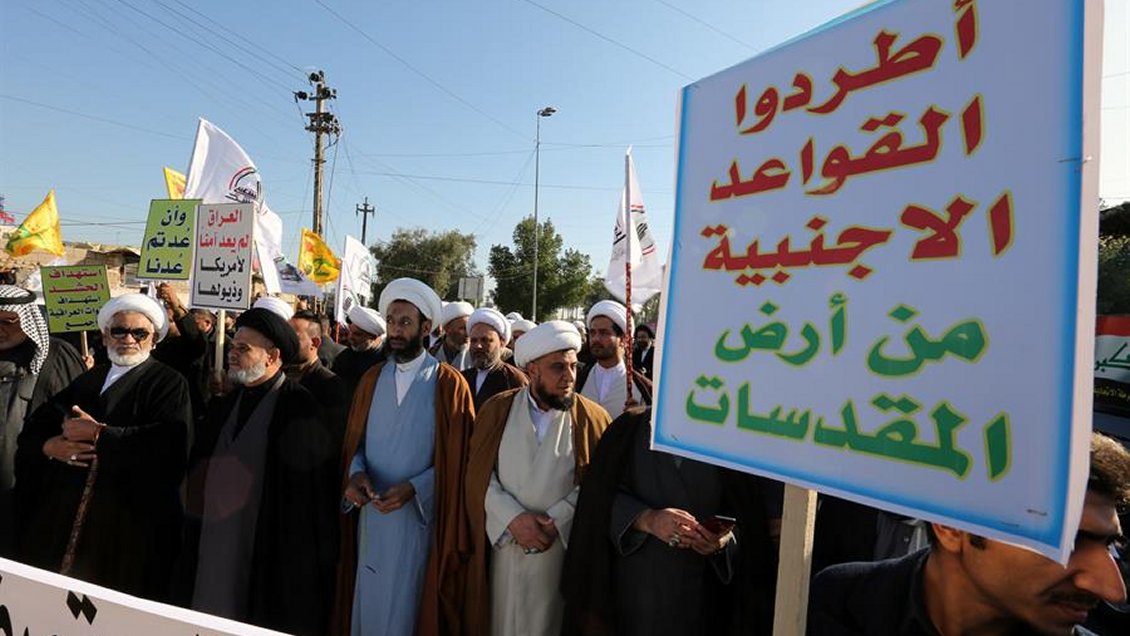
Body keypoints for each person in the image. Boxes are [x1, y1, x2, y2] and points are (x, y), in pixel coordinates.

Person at [807, 431, 1130, 636]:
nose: (1111, 589)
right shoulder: (837, 605)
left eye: (1111, 545)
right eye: (1065, 543)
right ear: (952, 526)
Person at [15, 294, 191, 602]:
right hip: (66, 513)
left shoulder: (168, 383)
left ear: (154, 340)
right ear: (105, 335)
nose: (128, 339)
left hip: (126, 522)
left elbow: (170, 444)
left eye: (139, 333)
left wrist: (100, 434)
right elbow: (38, 426)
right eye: (119, 331)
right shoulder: (89, 379)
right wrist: (49, 446)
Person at [182, 307, 338, 635]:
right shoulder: (224, 404)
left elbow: (311, 503)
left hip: (266, 552)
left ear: (272, 356)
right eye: (233, 347)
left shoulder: (301, 409)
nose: (232, 355)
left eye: (243, 349)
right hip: (213, 543)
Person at [334, 278, 476, 636]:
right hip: (372, 520)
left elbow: (458, 460)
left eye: (405, 323)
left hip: (419, 522)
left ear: (426, 328)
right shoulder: (371, 378)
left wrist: (416, 488)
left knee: (409, 609)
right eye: (392, 321)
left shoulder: (449, 384)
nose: (395, 330)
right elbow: (357, 446)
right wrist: (355, 474)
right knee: (369, 604)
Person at [562, 407, 780, 636]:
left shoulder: (728, 437)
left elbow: (748, 518)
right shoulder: (630, 428)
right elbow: (597, 502)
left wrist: (722, 542)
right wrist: (648, 519)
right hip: (635, 595)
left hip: (700, 599)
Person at [463, 320, 611, 636]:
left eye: (573, 366)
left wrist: (556, 520)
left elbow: (599, 485)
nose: (570, 376)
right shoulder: (497, 410)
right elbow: (478, 474)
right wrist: (513, 519)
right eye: (558, 367)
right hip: (504, 545)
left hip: (559, 554)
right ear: (532, 371)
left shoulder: (593, 419)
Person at [0, 285, 85, 556]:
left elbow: (74, 420)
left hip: (28, 487)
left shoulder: (55, 357)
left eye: (7, 321)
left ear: (27, 318)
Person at [576, 300, 650, 419]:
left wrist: (640, 418)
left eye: (604, 333)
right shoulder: (578, 379)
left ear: (624, 340)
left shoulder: (642, 387)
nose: (596, 339)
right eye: (593, 333)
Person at [287, 310, 349, 448]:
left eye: (293, 338)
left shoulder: (331, 385)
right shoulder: (279, 376)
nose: (286, 342)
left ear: (314, 342)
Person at [152, 282, 208, 416]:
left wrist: (176, 307)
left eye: (170, 321)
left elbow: (195, 339)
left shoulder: (188, 345)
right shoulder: (153, 345)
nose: (165, 325)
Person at [462, 307, 528, 410]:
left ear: (501, 342)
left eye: (485, 340)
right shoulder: (462, 378)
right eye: (474, 340)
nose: (478, 346)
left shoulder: (514, 380)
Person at [332, 305, 388, 394]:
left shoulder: (390, 361)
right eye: (350, 332)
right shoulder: (343, 357)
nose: (350, 337)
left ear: (374, 337)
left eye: (357, 334)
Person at [430, 300, 473, 370]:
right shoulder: (432, 353)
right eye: (462, 328)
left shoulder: (475, 355)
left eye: (469, 328)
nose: (467, 333)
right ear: (447, 329)